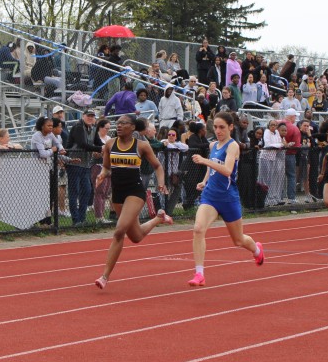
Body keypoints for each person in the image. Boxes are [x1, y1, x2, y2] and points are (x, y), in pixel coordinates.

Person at [92, 116, 171, 289]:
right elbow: (107, 167)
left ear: (133, 127)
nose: (119, 126)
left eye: (124, 123)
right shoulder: (110, 144)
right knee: (135, 236)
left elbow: (158, 166)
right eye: (118, 123)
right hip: (118, 193)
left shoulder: (141, 146)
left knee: (119, 231)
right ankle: (159, 218)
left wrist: (160, 183)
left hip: (135, 192)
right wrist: (102, 174)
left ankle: (104, 276)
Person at [187, 112, 265, 287]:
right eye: (215, 127)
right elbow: (212, 168)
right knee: (198, 229)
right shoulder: (213, 144)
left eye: (222, 127)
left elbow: (227, 170)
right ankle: (199, 273)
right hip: (210, 196)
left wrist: (205, 161)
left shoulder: (233, 146)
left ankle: (256, 249)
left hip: (228, 198)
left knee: (238, 240)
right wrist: (204, 181)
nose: (218, 131)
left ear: (230, 127)